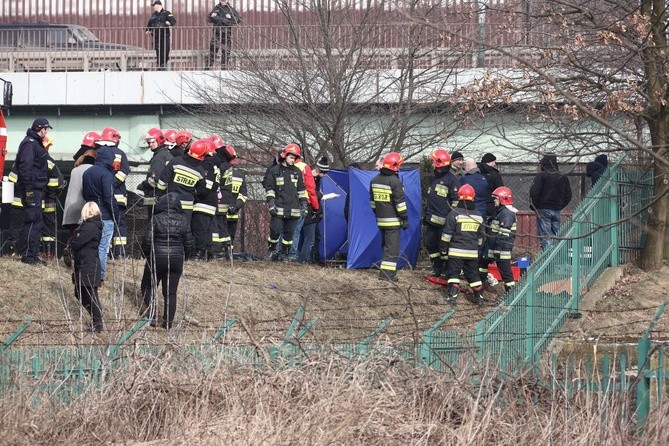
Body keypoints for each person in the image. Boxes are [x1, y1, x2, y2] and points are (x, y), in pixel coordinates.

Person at [141, 192, 195, 329]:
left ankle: (153, 316)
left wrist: (147, 255)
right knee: (170, 292)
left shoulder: (156, 219)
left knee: (148, 286)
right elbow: (189, 242)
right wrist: (186, 256)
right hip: (176, 259)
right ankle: (168, 323)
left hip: (157, 257)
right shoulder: (184, 220)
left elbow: (147, 241)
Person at [440, 183, 485, 306]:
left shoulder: (454, 213)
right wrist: (478, 249)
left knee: (454, 274)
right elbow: (481, 236)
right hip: (472, 252)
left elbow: (447, 234)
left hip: (456, 251)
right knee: (473, 275)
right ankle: (479, 298)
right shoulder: (478, 215)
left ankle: (452, 298)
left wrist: (443, 248)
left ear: (459, 197)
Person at [15, 117, 52, 265]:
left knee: (36, 221)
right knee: (32, 221)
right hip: (32, 189)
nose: (46, 131)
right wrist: (29, 189)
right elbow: (26, 167)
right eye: (46, 129)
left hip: (36, 189)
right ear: (41, 129)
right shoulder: (30, 144)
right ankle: (28, 256)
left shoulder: (34, 143)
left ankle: (32, 254)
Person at [82, 146, 120, 283]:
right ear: (109, 159)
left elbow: (84, 194)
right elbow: (109, 197)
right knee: (102, 248)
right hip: (105, 216)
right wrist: (116, 215)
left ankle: (88, 274)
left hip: (89, 215)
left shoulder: (87, 172)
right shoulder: (106, 175)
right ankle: (100, 277)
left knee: (90, 247)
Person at [370, 152, 409, 282]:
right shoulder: (395, 182)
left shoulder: (374, 180)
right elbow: (400, 204)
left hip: (380, 220)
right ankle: (387, 275)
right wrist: (404, 219)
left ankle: (385, 273)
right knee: (392, 250)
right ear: (395, 166)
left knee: (386, 247)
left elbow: (372, 202)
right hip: (393, 222)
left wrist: (378, 214)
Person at [264, 144, 307, 261]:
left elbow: (301, 190)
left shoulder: (297, 172)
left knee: (289, 236)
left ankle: (285, 255)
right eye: (291, 158)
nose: (293, 160)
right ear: (285, 156)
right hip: (278, 208)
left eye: (294, 158)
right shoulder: (274, 171)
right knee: (275, 231)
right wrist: (271, 204)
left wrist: (304, 206)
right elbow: (270, 189)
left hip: (293, 209)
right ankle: (272, 250)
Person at [423, 149, 459, 278]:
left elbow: (456, 201)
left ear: (439, 163)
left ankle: (446, 270)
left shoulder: (452, 180)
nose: (432, 164)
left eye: (433, 161)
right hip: (431, 220)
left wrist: (451, 218)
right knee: (431, 245)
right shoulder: (434, 179)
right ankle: (436, 267)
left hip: (445, 222)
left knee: (444, 248)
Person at [71, 201, 104, 333]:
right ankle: (96, 319)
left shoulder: (90, 227)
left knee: (90, 294)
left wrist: (72, 242)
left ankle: (97, 322)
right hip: (85, 263)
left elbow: (77, 243)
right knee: (79, 292)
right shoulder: (91, 225)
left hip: (88, 264)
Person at [97, 127, 129, 258]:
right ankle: (120, 253)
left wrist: (106, 186)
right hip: (119, 195)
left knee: (105, 224)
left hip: (103, 196)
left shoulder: (98, 153)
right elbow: (124, 172)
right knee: (119, 224)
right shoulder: (121, 153)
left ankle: (107, 253)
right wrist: (113, 183)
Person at [156, 138, 208, 220]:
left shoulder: (176, 161)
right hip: (187, 206)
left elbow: (162, 183)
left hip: (171, 203)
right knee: (184, 230)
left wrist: (160, 194)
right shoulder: (200, 171)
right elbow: (202, 192)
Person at [479, 186, 517, 296]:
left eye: (496, 199)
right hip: (493, 248)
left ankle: (512, 297)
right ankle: (481, 288)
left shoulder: (506, 214)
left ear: (502, 199)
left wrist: (498, 250)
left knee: (506, 275)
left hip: (501, 250)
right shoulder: (500, 212)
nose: (494, 201)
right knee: (482, 265)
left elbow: (504, 235)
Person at [529, 153, 572, 251]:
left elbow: (534, 192)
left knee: (545, 236)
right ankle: (563, 253)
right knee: (559, 235)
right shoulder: (563, 176)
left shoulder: (541, 176)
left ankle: (547, 257)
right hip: (556, 209)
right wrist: (560, 205)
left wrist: (534, 206)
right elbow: (568, 195)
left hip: (543, 209)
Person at [62, 149, 97, 267]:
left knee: (73, 232)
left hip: (70, 207)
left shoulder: (74, 170)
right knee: (83, 234)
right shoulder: (92, 170)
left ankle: (68, 247)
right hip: (83, 206)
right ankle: (75, 254)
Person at [288, 143, 320, 262]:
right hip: (302, 202)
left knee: (285, 230)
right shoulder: (304, 167)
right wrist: (316, 206)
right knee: (297, 232)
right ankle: (293, 256)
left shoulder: (282, 167)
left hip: (286, 202)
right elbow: (311, 189)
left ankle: (281, 254)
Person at [192, 139, 220, 261]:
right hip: (211, 202)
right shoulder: (214, 164)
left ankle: (199, 253)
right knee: (208, 230)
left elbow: (206, 185)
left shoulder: (206, 165)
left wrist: (196, 192)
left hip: (203, 202)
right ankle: (210, 253)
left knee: (200, 229)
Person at [137, 128, 173, 221]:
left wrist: (143, 185)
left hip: (156, 196)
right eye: (148, 143)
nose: (150, 145)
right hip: (166, 196)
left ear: (159, 140)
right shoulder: (167, 155)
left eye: (152, 142)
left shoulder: (159, 157)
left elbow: (154, 180)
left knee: (154, 224)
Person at [40, 136, 65, 259]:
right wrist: (50, 191)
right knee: (48, 226)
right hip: (49, 200)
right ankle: (48, 252)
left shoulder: (29, 159)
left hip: (37, 200)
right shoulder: (49, 161)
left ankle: (40, 251)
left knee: (36, 225)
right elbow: (59, 182)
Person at [207, 0, 241, 69]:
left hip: (226, 33)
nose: (223, 1)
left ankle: (224, 68)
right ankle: (208, 67)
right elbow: (209, 19)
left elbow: (238, 20)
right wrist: (211, 16)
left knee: (225, 51)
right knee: (212, 50)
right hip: (216, 33)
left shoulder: (231, 9)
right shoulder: (216, 8)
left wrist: (230, 17)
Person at [146, 0, 176, 70]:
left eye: (154, 6)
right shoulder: (153, 15)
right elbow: (149, 24)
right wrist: (148, 30)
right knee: (158, 51)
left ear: (159, 6)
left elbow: (173, 21)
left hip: (164, 35)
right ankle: (160, 65)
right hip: (156, 36)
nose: (153, 7)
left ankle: (163, 63)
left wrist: (169, 23)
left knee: (165, 50)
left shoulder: (167, 13)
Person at [478, 152, 504, 220]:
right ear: (489, 162)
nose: (495, 164)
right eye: (493, 162)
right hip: (491, 204)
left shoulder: (477, 173)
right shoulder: (495, 174)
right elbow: (500, 189)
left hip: (478, 204)